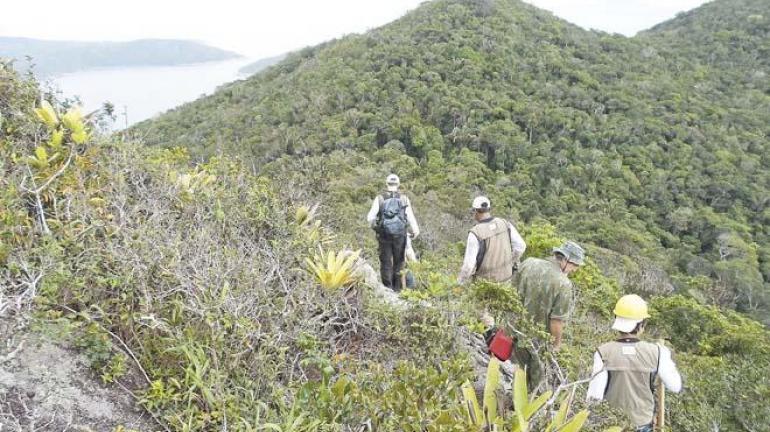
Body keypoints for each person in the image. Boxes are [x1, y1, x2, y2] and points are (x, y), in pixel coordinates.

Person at [587, 295, 682, 432]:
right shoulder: (657, 352)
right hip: (643, 424)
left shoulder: (603, 352)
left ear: (617, 321)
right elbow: (675, 386)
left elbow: (594, 397)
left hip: (611, 424)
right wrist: (665, 357)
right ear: (642, 324)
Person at [510, 240, 584, 389]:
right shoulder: (563, 284)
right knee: (536, 387)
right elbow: (556, 322)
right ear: (565, 260)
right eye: (574, 265)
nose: (575, 270)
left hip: (514, 331)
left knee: (516, 377)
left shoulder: (528, 263)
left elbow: (511, 293)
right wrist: (556, 345)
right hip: (539, 342)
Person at [366, 174, 419, 291]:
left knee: (385, 262)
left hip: (384, 235)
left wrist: (377, 228)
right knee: (399, 262)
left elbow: (370, 218)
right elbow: (410, 217)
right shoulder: (404, 198)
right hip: (400, 235)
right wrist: (415, 231)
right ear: (398, 184)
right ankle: (398, 289)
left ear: (386, 183)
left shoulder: (380, 198)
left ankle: (387, 288)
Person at [457, 196, 526, 285]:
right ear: (489, 209)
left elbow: (468, 267)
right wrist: (510, 263)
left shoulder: (475, 233)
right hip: (507, 281)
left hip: (485, 285)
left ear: (475, 211)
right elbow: (521, 246)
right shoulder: (505, 224)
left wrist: (459, 283)